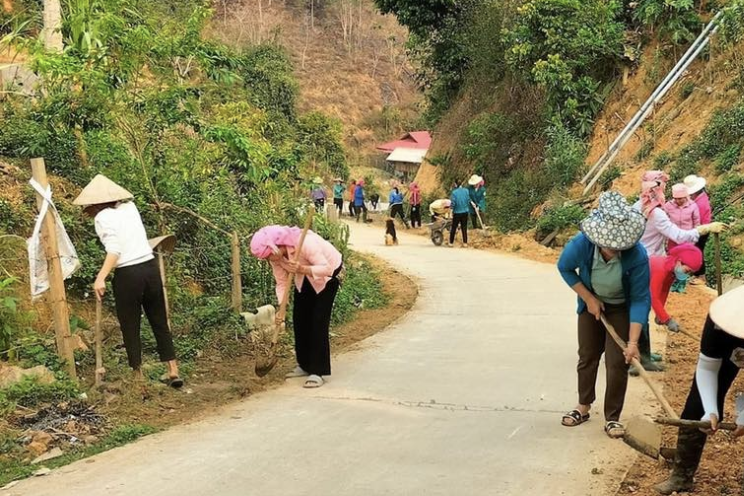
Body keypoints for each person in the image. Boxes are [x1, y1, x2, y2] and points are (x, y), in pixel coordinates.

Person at [73, 175, 183, 387]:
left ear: (95, 204)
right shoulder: (130, 208)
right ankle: (173, 370)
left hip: (128, 274)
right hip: (150, 268)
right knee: (159, 320)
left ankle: (138, 376)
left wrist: (100, 277)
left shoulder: (102, 218)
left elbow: (114, 250)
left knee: (130, 324)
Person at [557, 191, 650, 439]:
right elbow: (564, 268)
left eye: (619, 247)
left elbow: (641, 299)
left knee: (617, 362)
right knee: (587, 354)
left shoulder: (637, 255)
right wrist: (588, 298)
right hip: (592, 303)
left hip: (620, 307)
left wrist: (632, 343)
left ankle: (612, 417)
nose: (614, 250)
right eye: (609, 246)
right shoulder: (582, 244)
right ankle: (583, 406)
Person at [655, 285, 744, 494]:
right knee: (697, 406)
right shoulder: (719, 320)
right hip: (727, 354)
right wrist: (710, 410)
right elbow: (707, 368)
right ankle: (682, 476)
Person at [634, 171, 725, 372]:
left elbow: (662, 292)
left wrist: (661, 315)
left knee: (643, 311)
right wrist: (667, 319)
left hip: (645, 258)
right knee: (639, 311)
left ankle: (644, 352)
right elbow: (678, 235)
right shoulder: (657, 213)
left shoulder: (640, 206)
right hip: (642, 264)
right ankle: (640, 357)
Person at [250, 225, 344, 389]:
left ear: (276, 246)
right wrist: (282, 307)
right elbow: (281, 282)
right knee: (300, 319)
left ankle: (317, 370)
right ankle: (305, 364)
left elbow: (326, 268)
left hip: (327, 276)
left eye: (268, 255)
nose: (269, 259)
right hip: (303, 277)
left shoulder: (305, 242)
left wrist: (301, 268)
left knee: (318, 322)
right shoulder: (276, 258)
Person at [650, 244, 703, 335]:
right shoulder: (660, 269)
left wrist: (660, 314)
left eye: (690, 273)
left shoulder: (671, 272)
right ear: (679, 261)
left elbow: (664, 290)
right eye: (687, 271)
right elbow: (653, 297)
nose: (687, 275)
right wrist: (667, 320)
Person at [685, 174, 712, 284]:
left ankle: (701, 276)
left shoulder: (699, 203)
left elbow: (697, 219)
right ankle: (696, 272)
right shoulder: (702, 197)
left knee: (697, 250)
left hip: (701, 229)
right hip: (703, 227)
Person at [663, 184, 700, 250]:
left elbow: (696, 223)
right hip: (673, 239)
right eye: (675, 199)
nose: (677, 201)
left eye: (680, 199)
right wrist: (665, 240)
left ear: (685, 196)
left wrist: (695, 238)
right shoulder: (668, 206)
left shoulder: (693, 206)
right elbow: (664, 222)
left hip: (688, 238)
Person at [449, 180, 471, 247]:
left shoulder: (454, 193)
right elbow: (468, 200)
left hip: (457, 212)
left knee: (454, 227)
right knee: (464, 227)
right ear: (461, 184)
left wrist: (450, 212)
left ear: (455, 184)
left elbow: (453, 203)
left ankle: (451, 243)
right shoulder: (466, 191)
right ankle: (465, 243)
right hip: (465, 212)